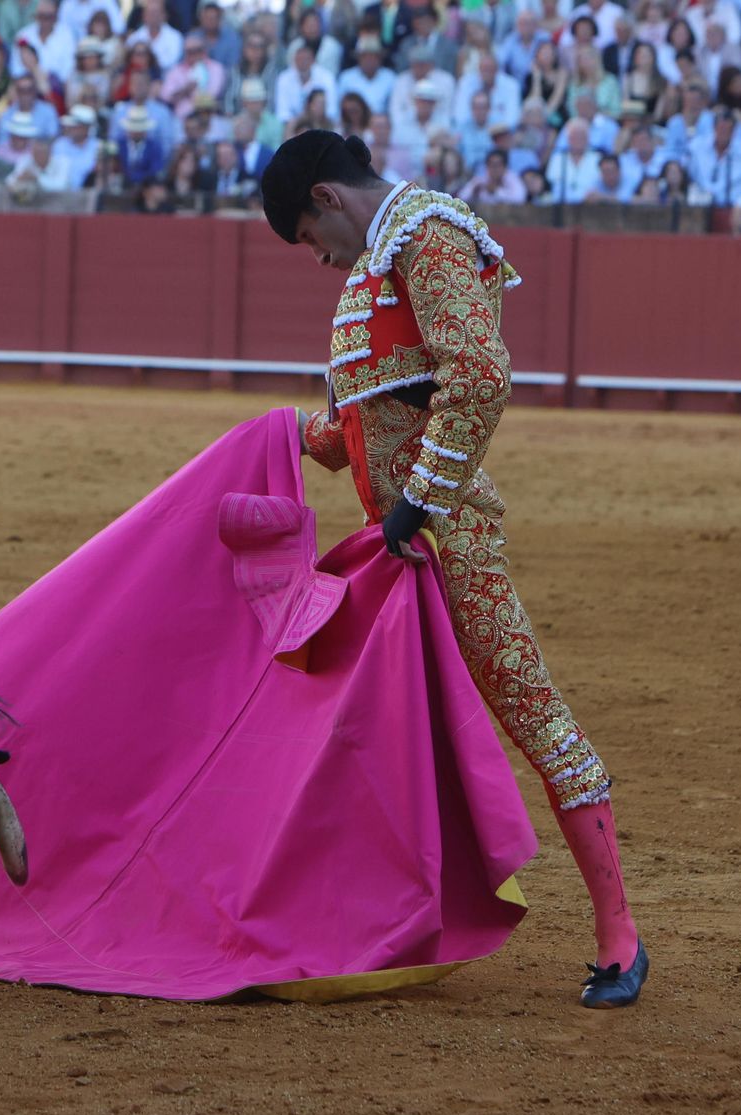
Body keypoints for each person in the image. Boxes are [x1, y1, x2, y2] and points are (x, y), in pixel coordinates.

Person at [260, 129, 647, 1009]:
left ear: (326, 198)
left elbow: (479, 375)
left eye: (308, 239)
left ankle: (619, 936)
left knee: (528, 705)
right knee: (364, 734)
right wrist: (281, 439)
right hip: (399, 556)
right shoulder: (378, 263)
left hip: (450, 544)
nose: (318, 261)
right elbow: (363, 423)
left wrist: (419, 503)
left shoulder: (426, 232)